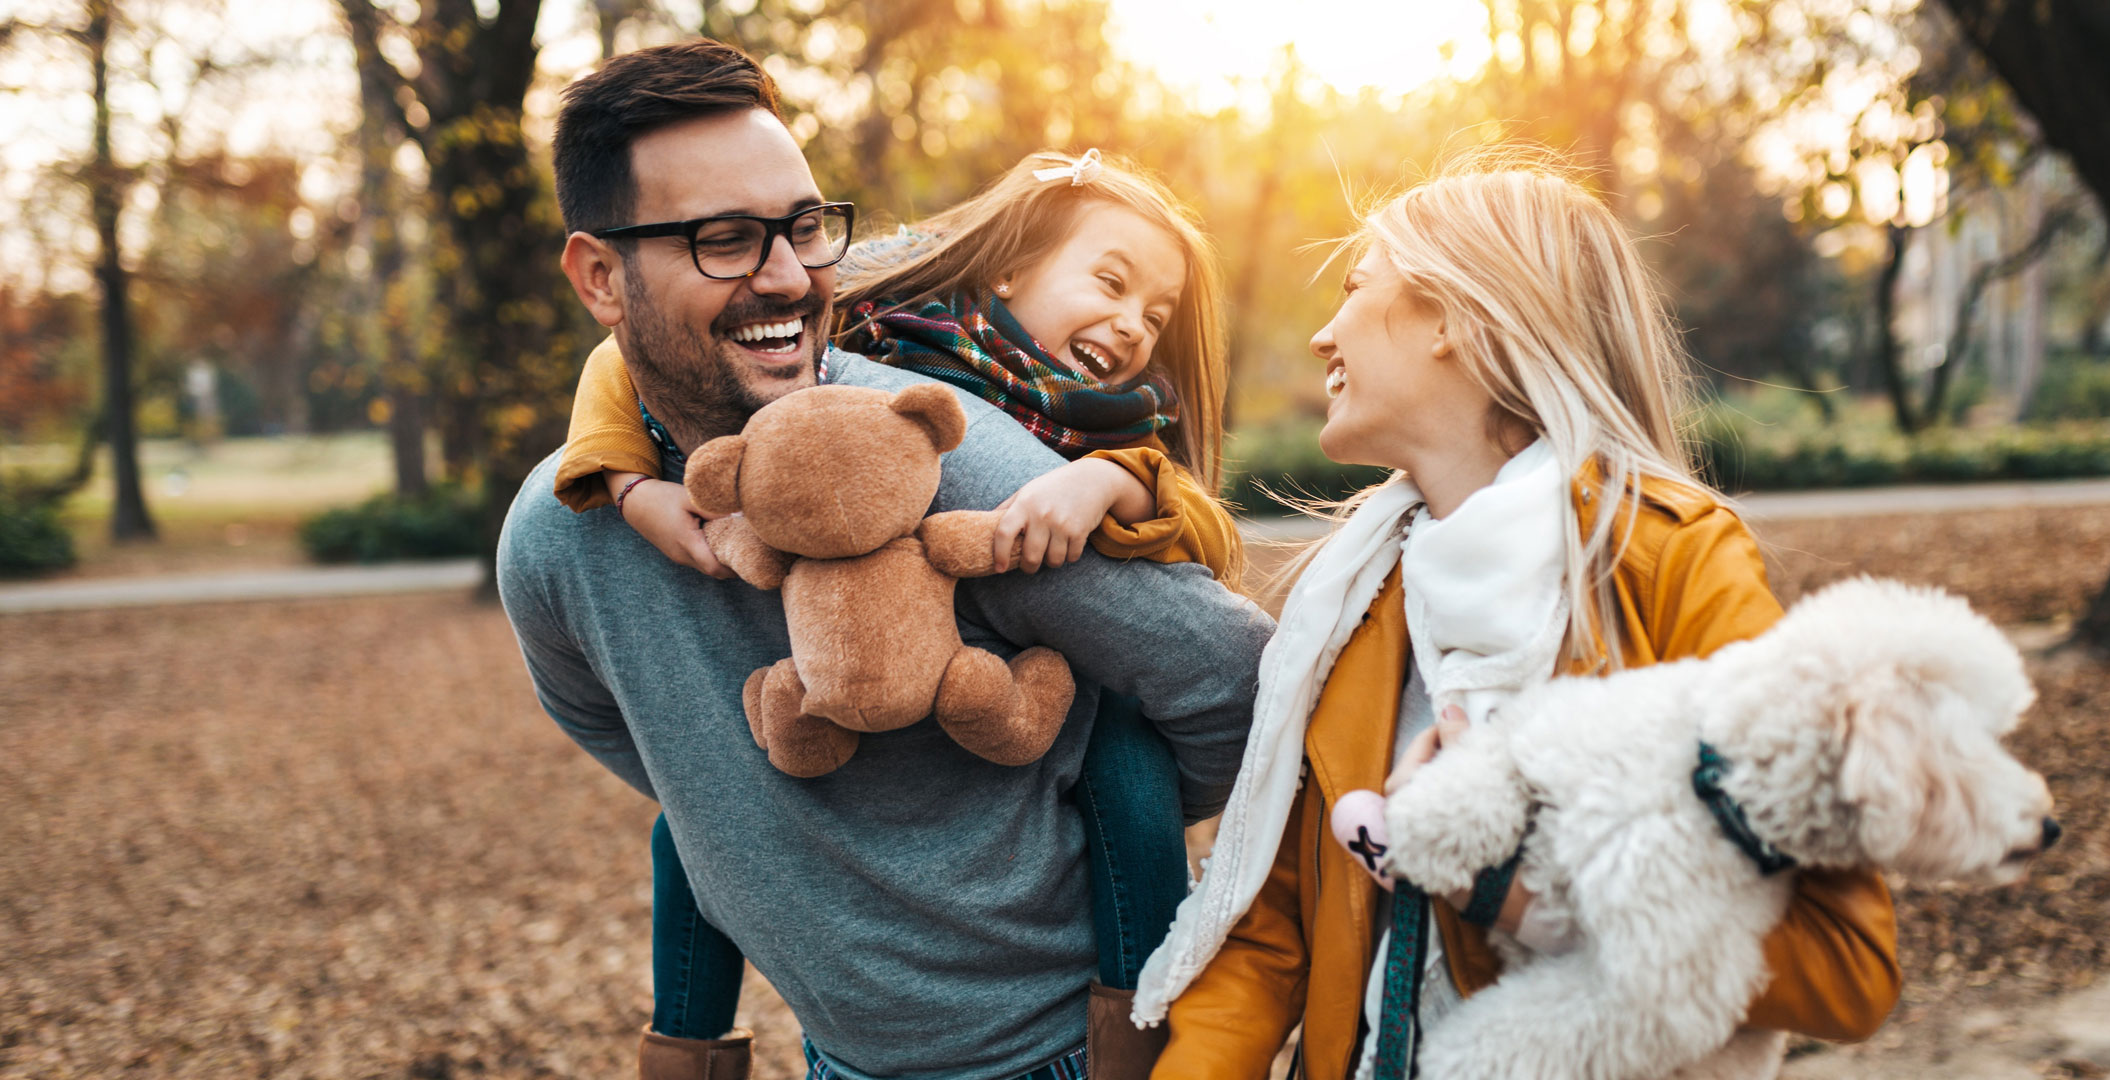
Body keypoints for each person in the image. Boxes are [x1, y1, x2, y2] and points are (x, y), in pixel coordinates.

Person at [495, 39, 1272, 1080]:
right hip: (839, 1060)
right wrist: (761, 816)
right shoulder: (560, 537)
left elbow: (1237, 685)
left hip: (1058, 1058)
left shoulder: (956, 467)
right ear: (600, 276)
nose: (785, 275)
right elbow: (607, 720)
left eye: (805, 228)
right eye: (725, 239)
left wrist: (1057, 817)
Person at [1130, 151, 1902, 1080]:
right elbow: (1270, 937)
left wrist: (1515, 893)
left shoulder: (1669, 561)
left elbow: (1847, 966)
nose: (1322, 337)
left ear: (1453, 317)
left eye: (1354, 288)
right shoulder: (1352, 603)